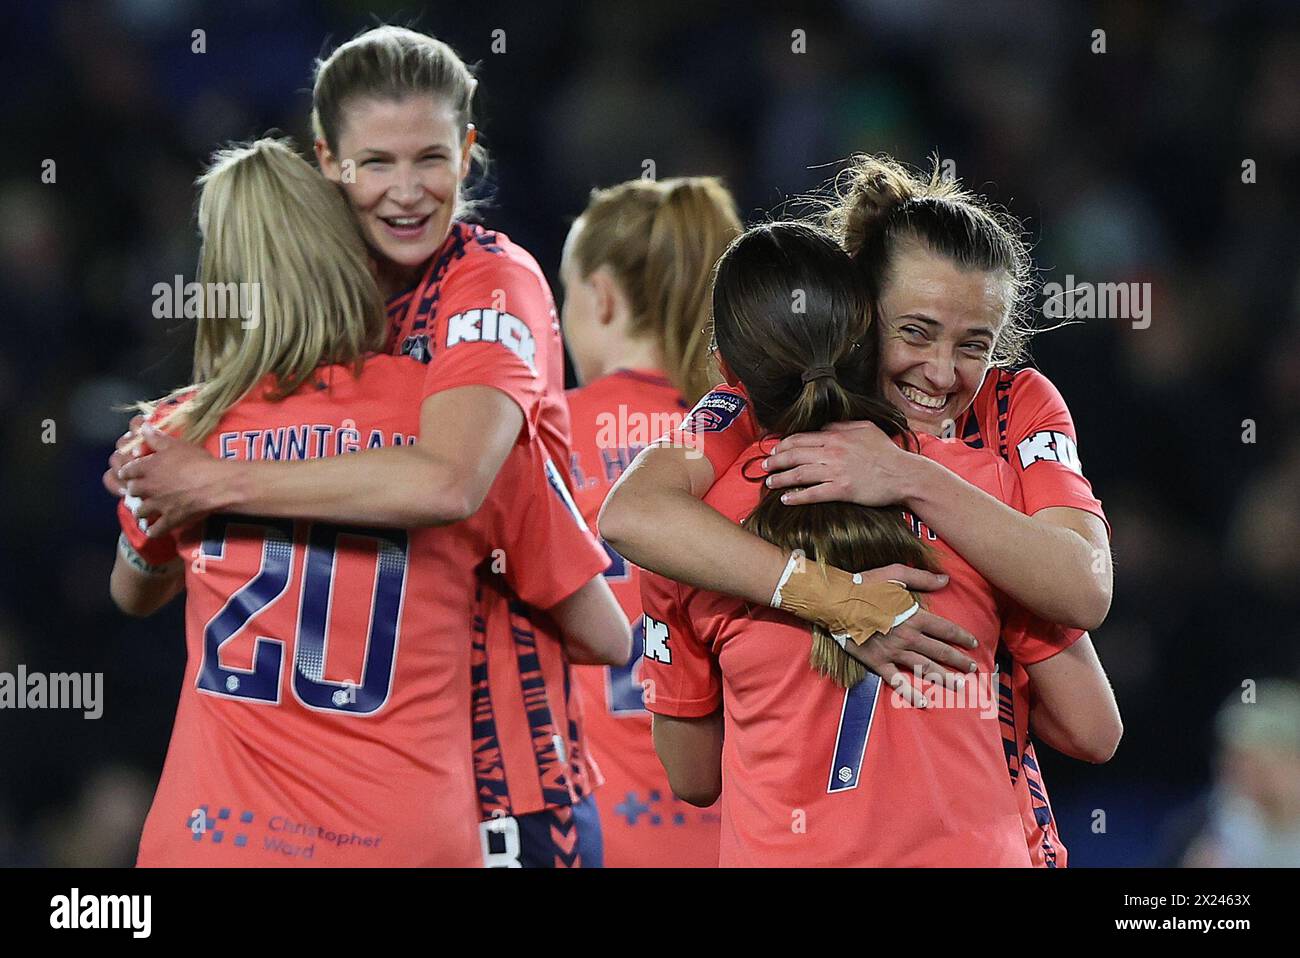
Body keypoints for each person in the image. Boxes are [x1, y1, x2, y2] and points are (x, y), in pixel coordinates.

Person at [109, 26, 626, 867]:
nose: (408, 191)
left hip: (504, 783)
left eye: (430, 158)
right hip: (377, 802)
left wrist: (203, 479)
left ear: (468, 152)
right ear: (327, 162)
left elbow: (451, 480)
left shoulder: (490, 279)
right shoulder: (256, 396)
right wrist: (170, 483)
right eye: (376, 163)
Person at [600, 155, 1114, 865]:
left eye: (976, 345)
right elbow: (632, 512)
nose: (942, 373)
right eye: (915, 331)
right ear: (858, 313)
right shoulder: (984, 485)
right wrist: (838, 601)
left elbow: (1085, 587)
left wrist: (903, 475)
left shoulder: (1014, 404)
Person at [111, 138, 483, 865]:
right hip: (401, 842)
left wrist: (162, 516)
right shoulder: (458, 415)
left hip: (211, 844)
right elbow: (597, 627)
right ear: (345, 251)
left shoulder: (176, 433)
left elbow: (133, 591)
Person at [562, 176, 740, 866]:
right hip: (744, 831)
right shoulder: (746, 442)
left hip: (593, 832)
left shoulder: (539, 436)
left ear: (600, 296)